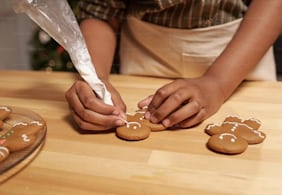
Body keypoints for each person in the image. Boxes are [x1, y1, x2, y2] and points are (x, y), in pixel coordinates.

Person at [65, 0, 282, 131]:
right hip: (143, 64)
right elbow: (101, 12)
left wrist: (217, 83)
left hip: (241, 62)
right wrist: (96, 77)